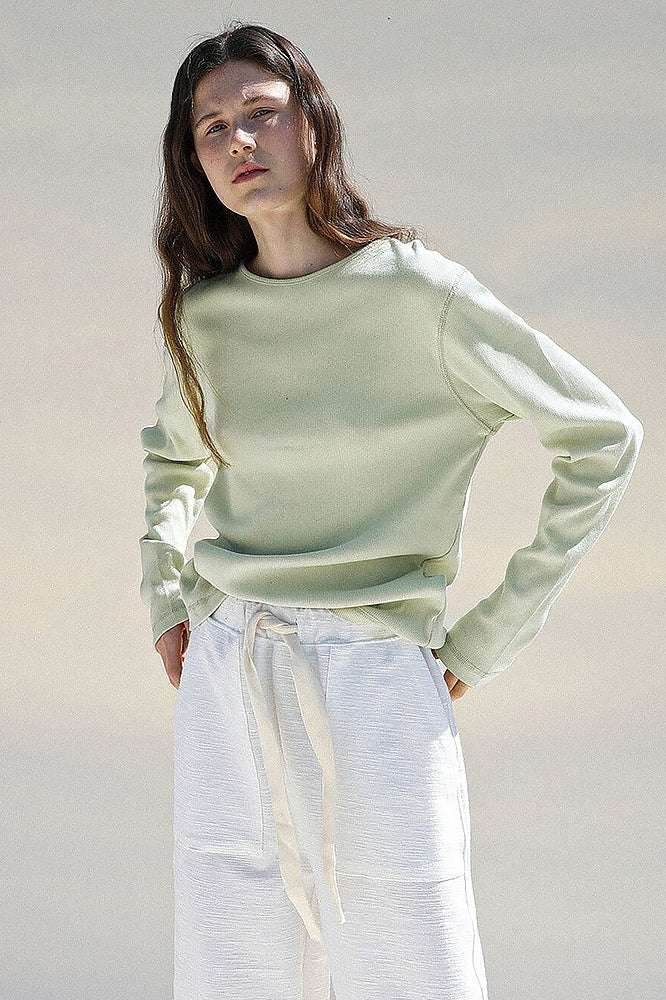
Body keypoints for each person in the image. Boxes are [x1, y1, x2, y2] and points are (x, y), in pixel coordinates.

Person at [137, 21, 644, 1000]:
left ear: (312, 123)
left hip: (375, 677)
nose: (240, 141)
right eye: (213, 128)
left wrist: (487, 637)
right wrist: (165, 594)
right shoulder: (205, 317)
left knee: (413, 963)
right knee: (233, 968)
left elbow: (603, 438)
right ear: (194, 162)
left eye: (260, 113)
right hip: (230, 669)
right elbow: (171, 462)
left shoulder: (419, 292)